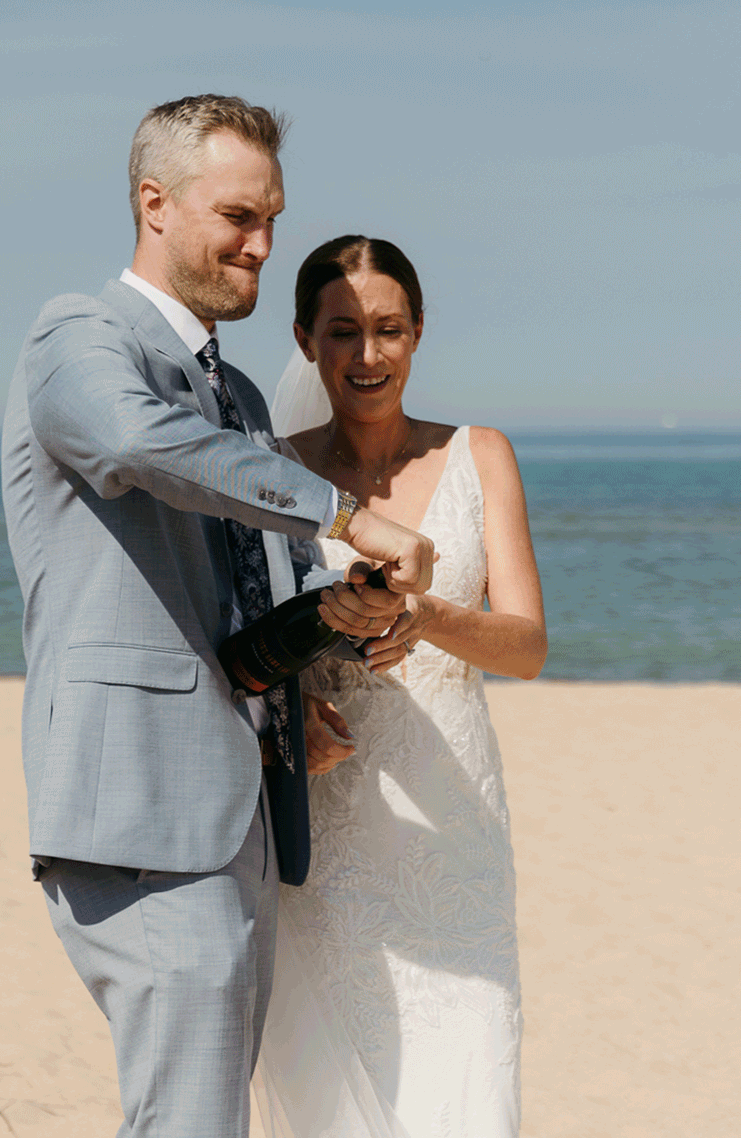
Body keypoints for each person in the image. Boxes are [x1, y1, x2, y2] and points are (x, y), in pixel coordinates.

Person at [1, 98, 436, 1137]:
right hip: (139, 812)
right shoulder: (79, 337)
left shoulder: (235, 392)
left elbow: (246, 596)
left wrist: (317, 642)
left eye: (273, 218)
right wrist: (343, 511)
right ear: (153, 203)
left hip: (236, 812)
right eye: (239, 216)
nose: (262, 245)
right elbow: (142, 446)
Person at [254, 235, 547, 1137]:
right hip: (333, 836)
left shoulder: (480, 453)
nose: (367, 355)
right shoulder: (270, 466)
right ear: (306, 340)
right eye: (343, 331)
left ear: (418, 334)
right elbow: (246, 634)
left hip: (454, 831)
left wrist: (428, 620)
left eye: (388, 329)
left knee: (469, 1095)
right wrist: (294, 705)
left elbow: (528, 645)